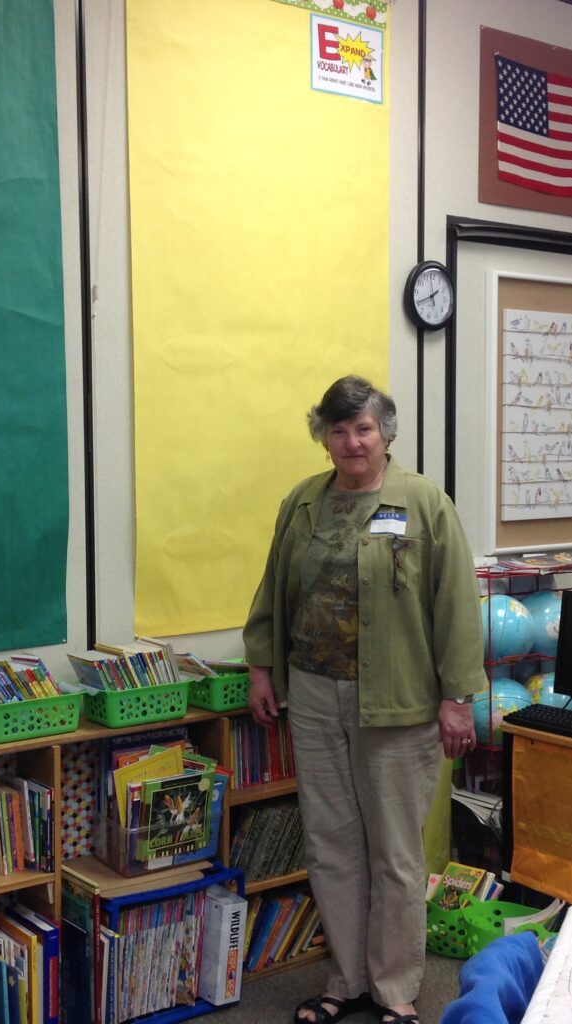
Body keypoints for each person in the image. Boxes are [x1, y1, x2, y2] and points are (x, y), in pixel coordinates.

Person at [243, 376, 488, 1024]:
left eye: (363, 428)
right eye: (338, 428)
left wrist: (458, 698)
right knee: (331, 844)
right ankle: (345, 979)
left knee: (397, 853)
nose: (351, 441)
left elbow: (457, 605)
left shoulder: (423, 502)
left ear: (386, 433)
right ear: (323, 436)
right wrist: (261, 667)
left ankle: (397, 989)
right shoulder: (303, 503)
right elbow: (273, 589)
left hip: (399, 702)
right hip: (316, 697)